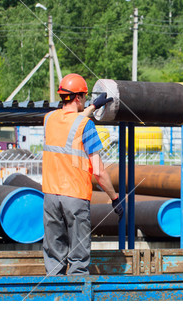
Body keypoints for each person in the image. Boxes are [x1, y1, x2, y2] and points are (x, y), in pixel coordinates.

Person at [42, 73, 123, 275]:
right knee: (78, 260)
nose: (85, 100)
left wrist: (93, 107)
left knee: (54, 256)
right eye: (85, 97)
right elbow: (98, 171)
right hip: (75, 199)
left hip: (51, 197)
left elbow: (70, 121)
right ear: (78, 97)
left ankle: (55, 297)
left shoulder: (49, 119)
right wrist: (114, 197)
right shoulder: (86, 126)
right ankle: (78, 298)